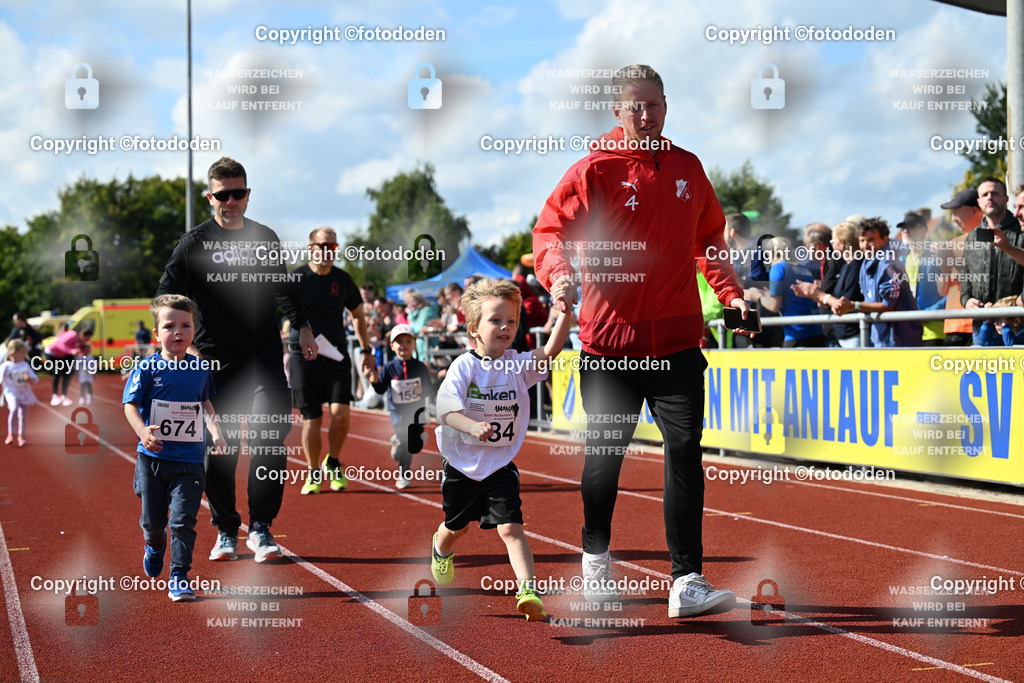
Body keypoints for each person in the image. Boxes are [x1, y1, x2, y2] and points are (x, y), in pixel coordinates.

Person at [533, 64, 750, 617]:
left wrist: (731, 296)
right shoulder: (593, 170)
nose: (646, 115)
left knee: (684, 451)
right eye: (635, 106)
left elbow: (709, 240)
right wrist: (558, 275)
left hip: (677, 343)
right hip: (610, 348)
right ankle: (596, 562)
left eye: (654, 105)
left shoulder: (687, 168)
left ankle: (687, 581)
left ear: (666, 107)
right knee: (605, 458)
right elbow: (551, 232)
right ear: (618, 112)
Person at [156, 156, 317, 564]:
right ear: (211, 196)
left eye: (238, 193)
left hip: (263, 360)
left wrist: (303, 326)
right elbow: (166, 296)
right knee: (219, 450)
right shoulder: (193, 243)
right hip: (212, 363)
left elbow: (284, 289)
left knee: (269, 441)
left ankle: (261, 527)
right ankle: (227, 529)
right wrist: (184, 344)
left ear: (248, 194)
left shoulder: (264, 237)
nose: (231, 201)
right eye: (223, 195)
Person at [430, 278, 573, 621]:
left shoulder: (517, 365)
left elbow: (550, 351)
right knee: (456, 527)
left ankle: (528, 591)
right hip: (462, 466)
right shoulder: (464, 366)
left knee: (510, 528)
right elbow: (445, 410)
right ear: (474, 329)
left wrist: (565, 312)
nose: (506, 327)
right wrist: (472, 425)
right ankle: (440, 548)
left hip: (500, 465)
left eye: (511, 320)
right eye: (495, 320)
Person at [123, 295, 228, 601]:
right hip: (152, 458)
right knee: (154, 524)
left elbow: (205, 403)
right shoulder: (146, 368)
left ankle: (179, 575)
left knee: (183, 520)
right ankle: (154, 545)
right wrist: (143, 431)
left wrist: (217, 433)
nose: (178, 332)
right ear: (156, 333)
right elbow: (130, 406)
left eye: (185, 325)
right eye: (169, 326)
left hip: (190, 460)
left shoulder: (200, 368)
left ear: (194, 331)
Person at [287, 227, 374, 495]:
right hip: (304, 356)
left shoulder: (343, 279)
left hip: (336, 355)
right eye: (323, 246)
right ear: (311, 247)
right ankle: (314, 472)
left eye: (333, 247)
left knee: (341, 415)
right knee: (312, 420)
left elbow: (357, 315)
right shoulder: (296, 278)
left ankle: (333, 462)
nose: (328, 252)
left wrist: (367, 349)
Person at [832, 217, 922, 347]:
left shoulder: (889, 265)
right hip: (881, 339)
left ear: (885, 239)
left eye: (871, 240)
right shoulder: (865, 264)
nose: (865, 246)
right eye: (862, 241)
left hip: (902, 340)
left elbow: (888, 306)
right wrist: (844, 306)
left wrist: (853, 306)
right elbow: (869, 302)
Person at [364, 324, 433, 489]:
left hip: (417, 413)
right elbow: (381, 388)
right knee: (406, 442)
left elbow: (428, 388)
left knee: (416, 446)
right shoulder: (389, 368)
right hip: (399, 414)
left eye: (408, 341)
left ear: (414, 345)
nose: (403, 345)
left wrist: (422, 393)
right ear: (392, 346)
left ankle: (397, 443)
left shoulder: (420, 367)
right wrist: (373, 381)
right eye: (399, 341)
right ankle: (404, 474)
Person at [960, 177, 1024, 344]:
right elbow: (966, 275)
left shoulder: (1021, 229)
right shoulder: (972, 236)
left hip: (1016, 324)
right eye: (985, 194)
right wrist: (967, 301)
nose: (990, 197)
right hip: (981, 323)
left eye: (995, 193)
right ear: (979, 202)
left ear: (1005, 199)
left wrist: (1013, 308)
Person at [790, 221, 863, 347]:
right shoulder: (840, 263)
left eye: (806, 245)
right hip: (840, 332)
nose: (805, 249)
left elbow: (845, 299)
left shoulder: (839, 262)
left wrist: (819, 294)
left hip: (848, 333)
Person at [753, 236, 827, 347]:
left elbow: (774, 305)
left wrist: (757, 296)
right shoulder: (804, 269)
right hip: (816, 331)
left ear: (769, 253)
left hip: (797, 334)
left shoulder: (778, 268)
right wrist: (769, 295)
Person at [936, 189, 982, 346]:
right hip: (954, 325)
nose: (953, 219)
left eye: (957, 212)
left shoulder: (992, 240)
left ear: (975, 210)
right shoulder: (952, 244)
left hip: (981, 323)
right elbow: (942, 291)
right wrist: (944, 267)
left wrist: (953, 264)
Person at [897, 212, 945, 345]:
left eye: (911, 226)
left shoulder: (937, 257)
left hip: (933, 330)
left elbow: (953, 291)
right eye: (903, 227)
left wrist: (929, 313)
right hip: (908, 330)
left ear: (923, 230)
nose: (906, 230)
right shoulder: (901, 261)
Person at [0, 339, 39, 447]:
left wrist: (30, 379)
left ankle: (21, 436)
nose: (24, 355)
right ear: (13, 352)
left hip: (25, 392)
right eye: (21, 352)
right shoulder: (5, 366)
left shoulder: (25, 365)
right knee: (14, 409)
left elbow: (35, 378)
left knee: (23, 415)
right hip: (11, 392)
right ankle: (10, 434)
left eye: (24, 352)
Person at [44, 327, 92, 406]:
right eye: (86, 338)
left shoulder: (80, 343)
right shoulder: (72, 335)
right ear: (82, 335)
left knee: (67, 375)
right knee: (57, 373)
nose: (86, 340)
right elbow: (60, 344)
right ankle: (55, 396)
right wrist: (71, 351)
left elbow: (79, 353)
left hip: (61, 356)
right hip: (51, 353)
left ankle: (64, 396)